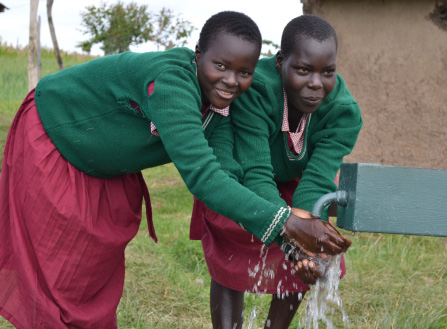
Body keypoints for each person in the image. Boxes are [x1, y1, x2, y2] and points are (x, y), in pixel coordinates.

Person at [0, 11, 350, 329]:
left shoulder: (223, 108)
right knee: (57, 276)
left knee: (90, 279)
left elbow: (227, 175)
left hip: (107, 168)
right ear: (198, 56)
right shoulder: (172, 82)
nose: (231, 81)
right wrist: (290, 224)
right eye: (221, 66)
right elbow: (203, 177)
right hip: (57, 133)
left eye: (244, 72)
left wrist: (293, 249)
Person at [190, 14, 362, 329]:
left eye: (328, 72)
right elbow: (255, 173)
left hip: (296, 181)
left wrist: (304, 242)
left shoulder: (343, 113)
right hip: (246, 177)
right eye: (303, 70)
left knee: (307, 245)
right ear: (281, 62)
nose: (315, 84)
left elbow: (317, 181)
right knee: (233, 243)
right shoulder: (257, 92)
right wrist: (287, 238)